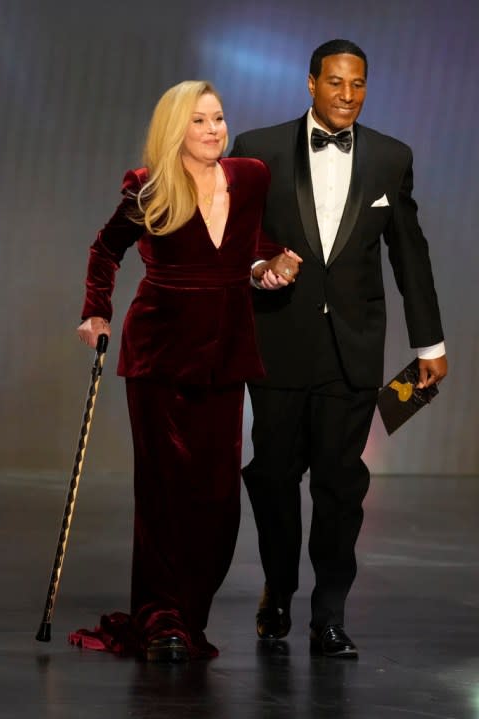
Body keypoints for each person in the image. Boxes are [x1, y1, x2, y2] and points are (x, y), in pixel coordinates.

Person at [230, 39, 447, 658]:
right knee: (271, 477)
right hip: (277, 343)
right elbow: (238, 241)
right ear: (309, 84)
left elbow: (411, 256)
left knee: (340, 484)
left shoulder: (389, 156)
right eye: (335, 84)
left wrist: (429, 343)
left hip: (353, 350)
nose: (347, 96)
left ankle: (329, 614)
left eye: (358, 85)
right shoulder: (258, 148)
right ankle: (279, 586)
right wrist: (256, 268)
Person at [71, 80, 300, 663]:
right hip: (160, 353)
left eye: (218, 119)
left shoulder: (249, 177)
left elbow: (252, 250)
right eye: (198, 121)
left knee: (218, 496)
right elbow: (106, 247)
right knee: (164, 491)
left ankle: (189, 610)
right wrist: (96, 310)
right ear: (175, 128)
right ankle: (161, 619)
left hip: (225, 353)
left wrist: (268, 267)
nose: (213, 130)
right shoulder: (147, 187)